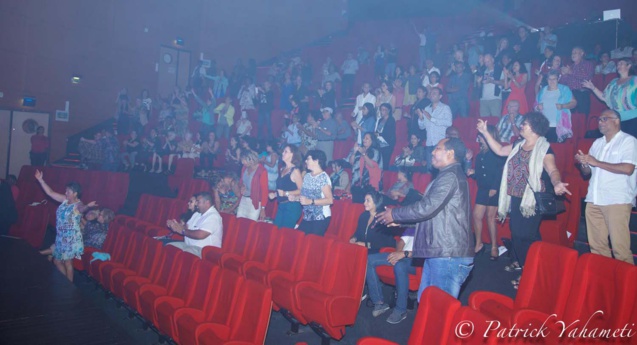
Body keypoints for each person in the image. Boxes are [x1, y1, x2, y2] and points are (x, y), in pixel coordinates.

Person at [476, 113, 571, 288]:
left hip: (531, 200)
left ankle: (528, 272)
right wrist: (485, 132)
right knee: (526, 234)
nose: (521, 126)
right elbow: (498, 150)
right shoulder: (517, 145)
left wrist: (557, 182)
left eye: (524, 124)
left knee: (522, 235)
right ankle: (533, 265)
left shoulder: (544, 148)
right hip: (515, 196)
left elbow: (552, 170)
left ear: (535, 127)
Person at [375, 138, 473, 300]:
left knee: (438, 309)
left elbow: (427, 207)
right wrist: (401, 221)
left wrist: (395, 214)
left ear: (450, 153)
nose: (433, 152)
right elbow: (433, 214)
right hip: (441, 251)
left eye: (437, 149)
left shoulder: (450, 176)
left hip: (448, 254)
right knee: (427, 304)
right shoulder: (448, 175)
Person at [575, 109, 637, 264]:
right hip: (594, 199)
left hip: (617, 199)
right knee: (597, 248)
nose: (600, 122)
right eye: (599, 119)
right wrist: (584, 163)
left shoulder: (628, 141)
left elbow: (628, 169)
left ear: (616, 120)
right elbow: (587, 173)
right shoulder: (597, 143)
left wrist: (596, 162)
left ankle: (628, 286)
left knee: (620, 249)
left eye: (604, 119)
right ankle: (604, 282)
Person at [35, 170, 96, 282]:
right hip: (61, 237)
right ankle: (66, 283)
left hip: (71, 238)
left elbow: (82, 209)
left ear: (75, 193)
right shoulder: (64, 200)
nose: (66, 192)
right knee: (57, 260)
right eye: (66, 190)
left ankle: (70, 287)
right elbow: (50, 193)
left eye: (68, 191)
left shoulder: (78, 204)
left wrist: (87, 206)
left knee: (68, 261)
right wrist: (40, 180)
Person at [467, 125, 505, 260]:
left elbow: (499, 172)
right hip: (483, 189)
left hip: (493, 188)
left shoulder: (497, 152)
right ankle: (479, 243)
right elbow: (481, 173)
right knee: (476, 215)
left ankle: (494, 246)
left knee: (490, 217)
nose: (479, 139)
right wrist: (473, 172)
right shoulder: (480, 155)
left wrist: (494, 188)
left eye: (482, 136)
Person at [365, 225, 416, 324]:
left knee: (400, 266)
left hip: (415, 260)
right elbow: (401, 241)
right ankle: (378, 303)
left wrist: (404, 254)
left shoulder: (430, 226)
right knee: (369, 259)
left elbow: (427, 250)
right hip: (402, 256)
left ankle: (401, 310)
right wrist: (397, 254)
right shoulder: (413, 225)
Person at [584, 58, 637, 138]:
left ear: (629, 66)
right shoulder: (613, 82)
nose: (618, 66)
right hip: (616, 120)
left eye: (621, 63)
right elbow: (604, 97)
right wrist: (593, 88)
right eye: (617, 64)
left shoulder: (635, 79)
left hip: (633, 119)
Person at [166, 192, 222, 258]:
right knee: (168, 247)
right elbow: (185, 227)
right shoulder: (197, 214)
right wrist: (175, 226)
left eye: (198, 202)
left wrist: (182, 231)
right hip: (188, 245)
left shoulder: (213, 216)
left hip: (203, 250)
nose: (196, 204)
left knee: (184, 254)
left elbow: (200, 235)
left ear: (207, 203)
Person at [294, 150, 333, 236]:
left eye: (308, 159)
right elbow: (304, 196)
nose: (306, 161)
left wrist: (311, 201)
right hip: (308, 216)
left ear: (316, 161)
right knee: (299, 239)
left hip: (320, 217)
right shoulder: (307, 176)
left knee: (312, 245)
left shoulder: (323, 177)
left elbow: (330, 200)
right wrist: (296, 198)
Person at [536, 70, 577, 142]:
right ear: (547, 80)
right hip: (544, 127)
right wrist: (537, 107)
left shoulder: (564, 89)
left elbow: (574, 103)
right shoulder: (543, 90)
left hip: (559, 126)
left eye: (554, 79)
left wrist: (563, 106)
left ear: (558, 79)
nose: (552, 81)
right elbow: (535, 105)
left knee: (558, 150)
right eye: (550, 79)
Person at [418, 87, 453, 172]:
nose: (431, 95)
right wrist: (421, 119)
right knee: (429, 169)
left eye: (434, 93)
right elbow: (422, 127)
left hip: (440, 142)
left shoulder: (445, 108)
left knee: (440, 168)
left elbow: (449, 123)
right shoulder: (427, 108)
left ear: (440, 96)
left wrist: (431, 118)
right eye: (431, 93)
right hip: (429, 142)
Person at [269, 145, 303, 228]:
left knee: (284, 234)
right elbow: (283, 189)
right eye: (283, 151)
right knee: (275, 231)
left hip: (292, 206)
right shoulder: (282, 169)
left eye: (286, 151)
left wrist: (285, 193)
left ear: (292, 154)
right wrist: (275, 194)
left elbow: (302, 190)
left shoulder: (295, 171)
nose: (283, 153)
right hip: (281, 205)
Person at [560, 47, 594, 115]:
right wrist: (564, 75)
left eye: (575, 52)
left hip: (582, 94)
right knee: (570, 118)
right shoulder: (570, 67)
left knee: (582, 119)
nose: (573, 54)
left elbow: (586, 77)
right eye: (572, 53)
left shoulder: (587, 64)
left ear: (581, 53)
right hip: (570, 95)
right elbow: (562, 84)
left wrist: (570, 72)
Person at [237, 151, 268, 221]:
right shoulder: (244, 168)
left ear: (250, 160)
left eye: (244, 160)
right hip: (244, 199)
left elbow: (264, 191)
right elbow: (241, 182)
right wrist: (242, 186)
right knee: (239, 222)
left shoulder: (262, 171)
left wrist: (263, 208)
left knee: (250, 225)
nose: (242, 162)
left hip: (255, 202)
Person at [375, 103, 396, 169]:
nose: (382, 111)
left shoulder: (391, 120)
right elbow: (378, 130)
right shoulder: (380, 120)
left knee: (385, 163)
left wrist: (379, 134)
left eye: (384, 110)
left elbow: (389, 133)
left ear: (388, 111)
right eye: (381, 109)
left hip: (387, 144)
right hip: (380, 143)